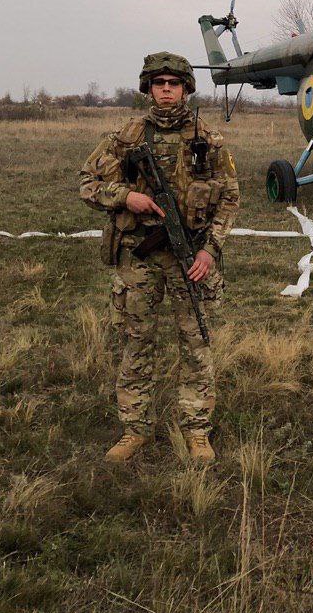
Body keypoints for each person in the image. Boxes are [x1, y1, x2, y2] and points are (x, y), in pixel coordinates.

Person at [79, 52, 240, 465]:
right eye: (158, 82)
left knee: (196, 343)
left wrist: (209, 249)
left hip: (191, 257)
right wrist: (126, 196)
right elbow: (87, 181)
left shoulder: (207, 137)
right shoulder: (126, 137)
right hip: (139, 257)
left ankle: (197, 431)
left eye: (174, 82)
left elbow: (230, 197)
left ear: (186, 88)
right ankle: (135, 430)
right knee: (137, 342)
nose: (166, 89)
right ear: (148, 87)